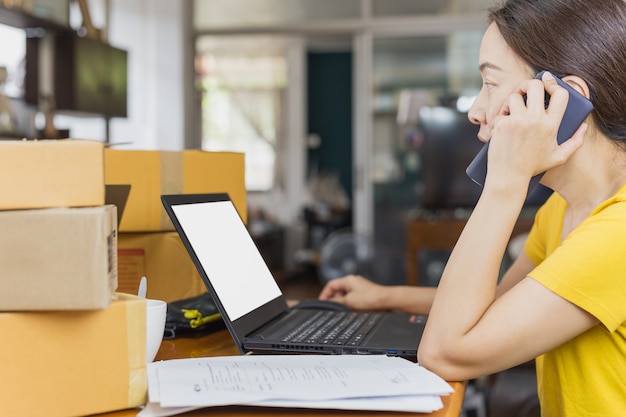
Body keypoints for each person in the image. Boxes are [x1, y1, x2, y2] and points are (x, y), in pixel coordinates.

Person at [319, 0, 626, 415]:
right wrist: (384, 296)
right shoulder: (566, 208)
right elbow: (493, 306)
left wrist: (506, 183)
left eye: (491, 84)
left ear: (561, 101)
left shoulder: (617, 232)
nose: (477, 111)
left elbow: (446, 353)